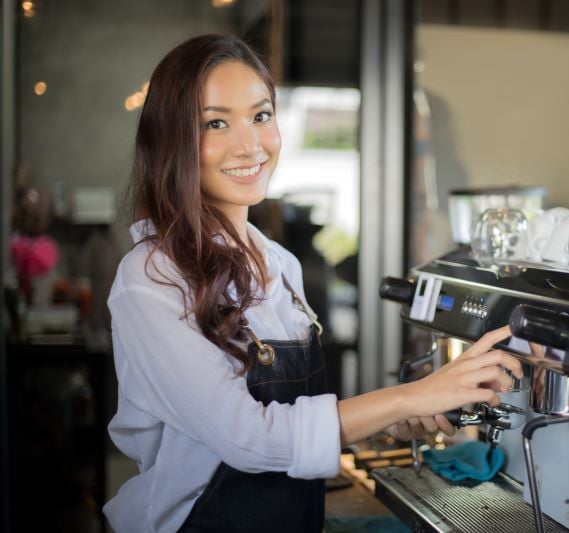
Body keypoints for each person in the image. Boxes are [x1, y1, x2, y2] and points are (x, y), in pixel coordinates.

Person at [104, 33, 522, 533]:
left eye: (261, 116)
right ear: (170, 140)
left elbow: (293, 419)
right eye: (215, 123)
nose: (251, 144)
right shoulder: (151, 278)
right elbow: (251, 439)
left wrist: (385, 418)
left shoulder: (278, 263)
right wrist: (410, 396)